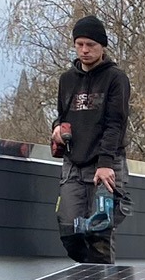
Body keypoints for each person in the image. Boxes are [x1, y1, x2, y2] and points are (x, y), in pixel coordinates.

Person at [51, 15, 131, 263]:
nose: (84, 50)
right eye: (80, 44)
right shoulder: (67, 80)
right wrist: (56, 130)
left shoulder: (116, 79)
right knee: (69, 230)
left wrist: (105, 163)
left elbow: (115, 123)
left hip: (105, 162)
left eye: (91, 45)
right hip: (73, 164)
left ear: (102, 46)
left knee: (100, 232)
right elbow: (60, 116)